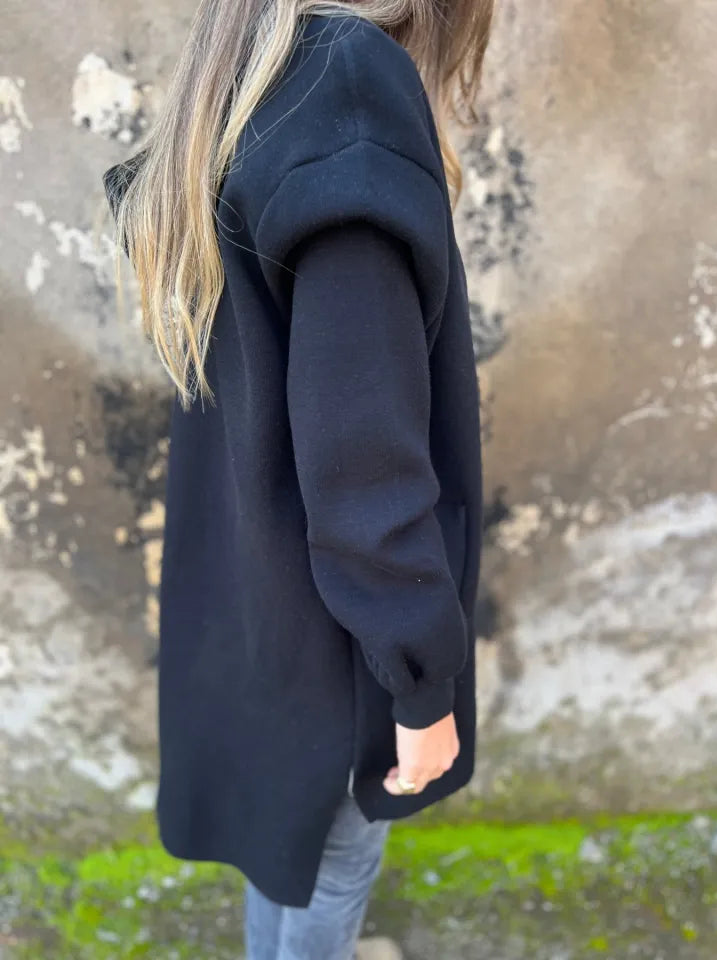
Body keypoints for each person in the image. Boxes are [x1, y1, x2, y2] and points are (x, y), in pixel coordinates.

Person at [103, 1, 492, 957]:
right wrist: (421, 688)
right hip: (343, 633)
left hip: (265, 606)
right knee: (335, 857)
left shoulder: (244, 80)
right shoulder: (347, 86)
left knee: (291, 850)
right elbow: (364, 465)